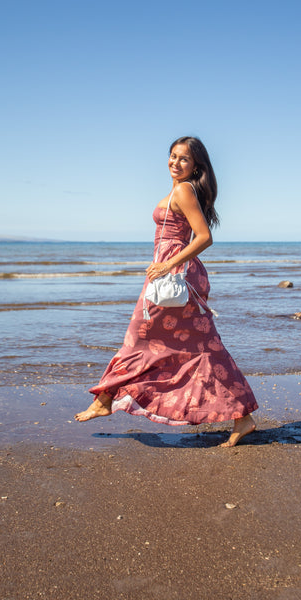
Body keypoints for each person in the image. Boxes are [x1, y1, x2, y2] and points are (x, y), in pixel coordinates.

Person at [75, 136, 258, 447]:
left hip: (174, 278)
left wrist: (166, 265)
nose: (175, 163)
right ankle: (243, 418)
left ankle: (105, 399)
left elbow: (204, 237)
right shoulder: (178, 189)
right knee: (203, 349)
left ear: (195, 165)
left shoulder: (184, 190)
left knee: (140, 338)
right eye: (172, 156)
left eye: (183, 159)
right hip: (171, 275)